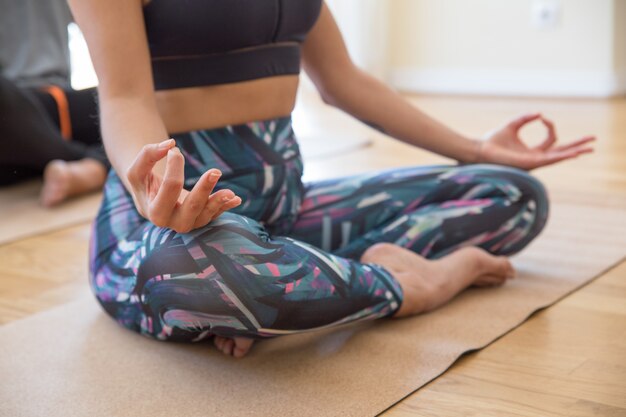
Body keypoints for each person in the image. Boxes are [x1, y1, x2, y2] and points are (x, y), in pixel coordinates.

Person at [69, 0, 595, 358]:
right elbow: (124, 98)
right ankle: (410, 285)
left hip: (287, 211)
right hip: (170, 229)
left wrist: (477, 149)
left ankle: (293, 288)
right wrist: (163, 189)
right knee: (193, 268)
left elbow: (343, 81)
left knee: (512, 194)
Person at [0, 0, 109, 206]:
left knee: (156, 111)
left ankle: (88, 164)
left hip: (52, 107)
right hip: (19, 126)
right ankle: (86, 161)